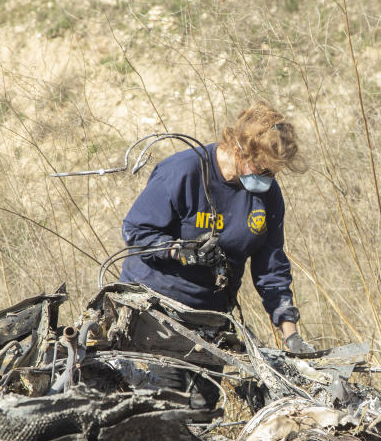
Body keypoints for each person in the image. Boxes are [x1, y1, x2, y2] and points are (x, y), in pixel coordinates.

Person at [119, 102, 314, 404]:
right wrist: (181, 252)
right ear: (240, 150)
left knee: (204, 410)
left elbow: (271, 266)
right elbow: (136, 232)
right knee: (165, 409)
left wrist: (291, 334)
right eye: (262, 169)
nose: (267, 178)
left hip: (210, 319)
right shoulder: (183, 171)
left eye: (273, 173)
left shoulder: (267, 196)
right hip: (155, 313)